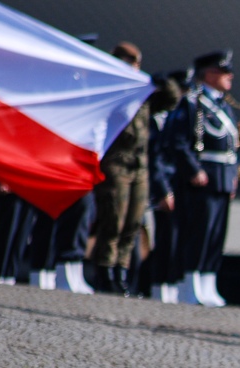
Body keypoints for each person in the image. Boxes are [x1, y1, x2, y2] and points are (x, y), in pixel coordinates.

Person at [168, 49, 240, 307]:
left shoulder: (224, 105)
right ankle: (190, 284)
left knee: (215, 235)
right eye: (224, 72)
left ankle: (208, 282)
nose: (230, 76)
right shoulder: (192, 103)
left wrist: (233, 176)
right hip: (203, 178)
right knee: (198, 233)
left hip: (222, 177)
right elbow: (178, 142)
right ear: (209, 74)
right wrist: (193, 170)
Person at [91, 42, 150, 296]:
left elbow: (169, 99)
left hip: (138, 165)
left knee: (133, 222)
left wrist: (163, 83)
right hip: (116, 162)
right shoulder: (111, 87)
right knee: (113, 220)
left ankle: (121, 271)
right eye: (130, 62)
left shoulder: (142, 90)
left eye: (137, 63)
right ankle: (104, 270)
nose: (135, 67)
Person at [145, 71, 185, 303]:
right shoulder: (159, 120)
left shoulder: (180, 119)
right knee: (165, 240)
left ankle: (171, 285)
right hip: (165, 186)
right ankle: (158, 286)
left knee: (178, 240)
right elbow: (155, 159)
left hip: (179, 185)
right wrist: (162, 189)